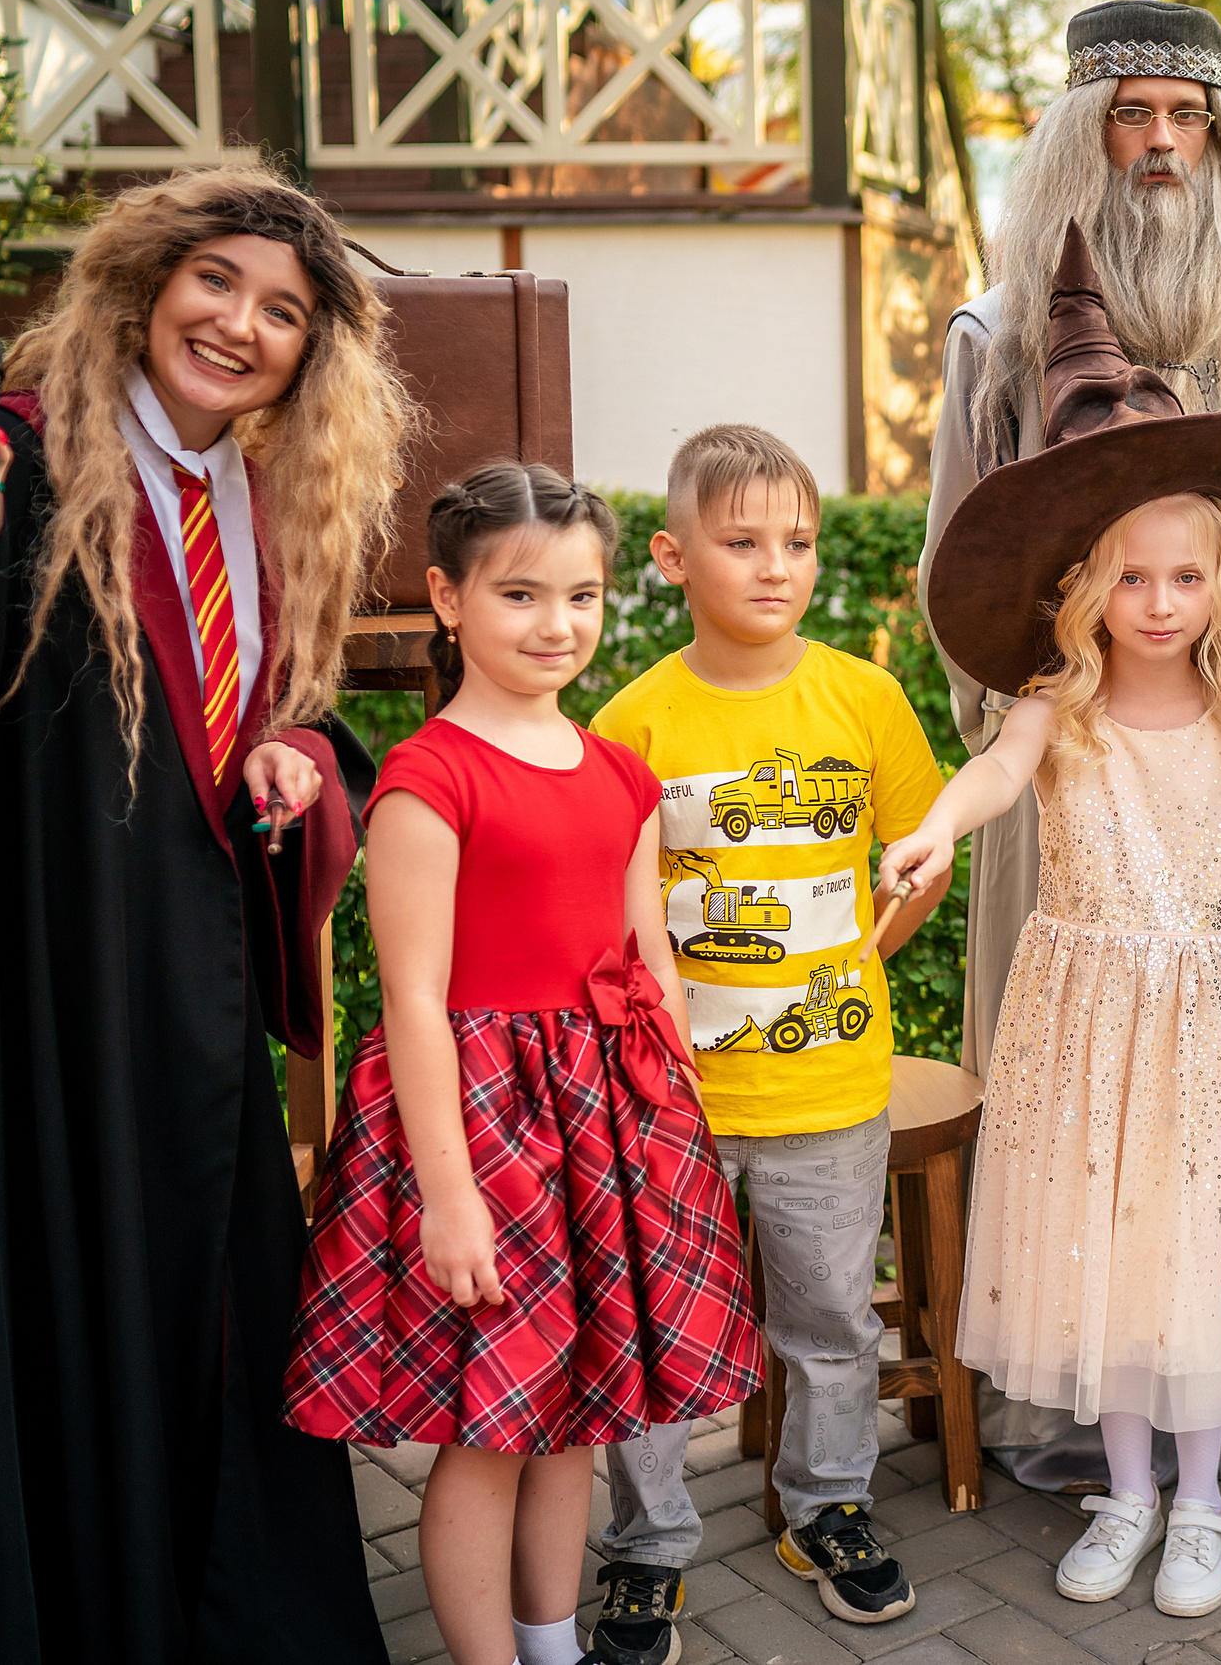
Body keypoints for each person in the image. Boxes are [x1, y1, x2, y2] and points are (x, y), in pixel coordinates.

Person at [0, 166, 411, 1664]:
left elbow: (308, 726)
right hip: (23, 982)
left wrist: (295, 761)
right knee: (37, 1300)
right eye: (217, 284)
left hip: (182, 994)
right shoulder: (7, 452)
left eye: (282, 312)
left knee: (208, 1309)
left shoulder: (266, 508)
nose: (240, 325)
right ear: (147, 282)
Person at [880, 223, 1221, 1615]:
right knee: (1108, 1247)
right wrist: (929, 827)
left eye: (1188, 576)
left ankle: (1207, 1500)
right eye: (1133, 575)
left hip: (1213, 1025)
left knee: (1194, 1253)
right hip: (1088, 1024)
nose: (1159, 603)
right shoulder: (1059, 704)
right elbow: (993, 772)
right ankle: (1128, 1487)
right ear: (1089, 581)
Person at [918, 0, 1221, 1492]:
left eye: (1186, 116)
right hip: (1069, 779)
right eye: (1131, 114)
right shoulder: (996, 334)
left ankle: (1215, 1377)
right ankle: (1070, 1404)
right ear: (1081, 134)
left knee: (1212, 1102)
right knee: (1077, 1103)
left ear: (1219, 138)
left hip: (1215, 766)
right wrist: (1034, 735)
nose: (1161, 143)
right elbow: (957, 574)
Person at [283, 463, 760, 1665]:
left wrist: (675, 1140)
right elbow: (414, 1004)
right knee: (491, 1430)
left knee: (574, 1421)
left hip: (606, 1123)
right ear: (448, 598)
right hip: (486, 1128)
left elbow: (646, 960)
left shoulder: (619, 774)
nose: (558, 626)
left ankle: (556, 1650)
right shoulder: (426, 780)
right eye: (521, 596)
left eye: (583, 596)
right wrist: (449, 1197)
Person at [584, 425, 949, 1653]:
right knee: (655, 1331)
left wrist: (857, 964)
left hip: (829, 1092)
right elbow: (608, 910)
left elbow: (918, 863)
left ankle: (826, 1507)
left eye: (795, 540)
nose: (776, 565)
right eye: (741, 542)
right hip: (673, 1103)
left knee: (832, 1325)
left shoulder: (865, 699)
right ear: (673, 557)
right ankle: (644, 1546)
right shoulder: (631, 725)